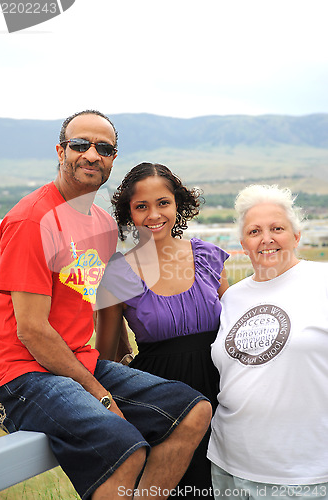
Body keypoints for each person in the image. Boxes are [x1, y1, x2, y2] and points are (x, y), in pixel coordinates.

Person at [0, 110, 213, 500]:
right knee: (121, 446)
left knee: (193, 412)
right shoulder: (32, 220)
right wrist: (101, 395)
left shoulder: (102, 224)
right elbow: (31, 330)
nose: (92, 155)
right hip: (23, 370)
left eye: (104, 148)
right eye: (80, 145)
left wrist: (115, 358)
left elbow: (85, 299)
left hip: (78, 360)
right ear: (60, 151)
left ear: (113, 159)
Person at [96, 162, 229, 498]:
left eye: (163, 203)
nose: (153, 214)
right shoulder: (118, 273)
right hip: (162, 402)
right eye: (142, 206)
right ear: (129, 212)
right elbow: (105, 355)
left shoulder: (209, 258)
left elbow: (237, 328)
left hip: (224, 392)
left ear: (178, 204)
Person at [207, 184, 328, 499]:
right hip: (229, 465)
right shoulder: (232, 297)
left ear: (296, 235)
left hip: (304, 472)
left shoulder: (322, 282)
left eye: (277, 228)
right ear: (244, 243)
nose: (267, 238)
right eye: (255, 231)